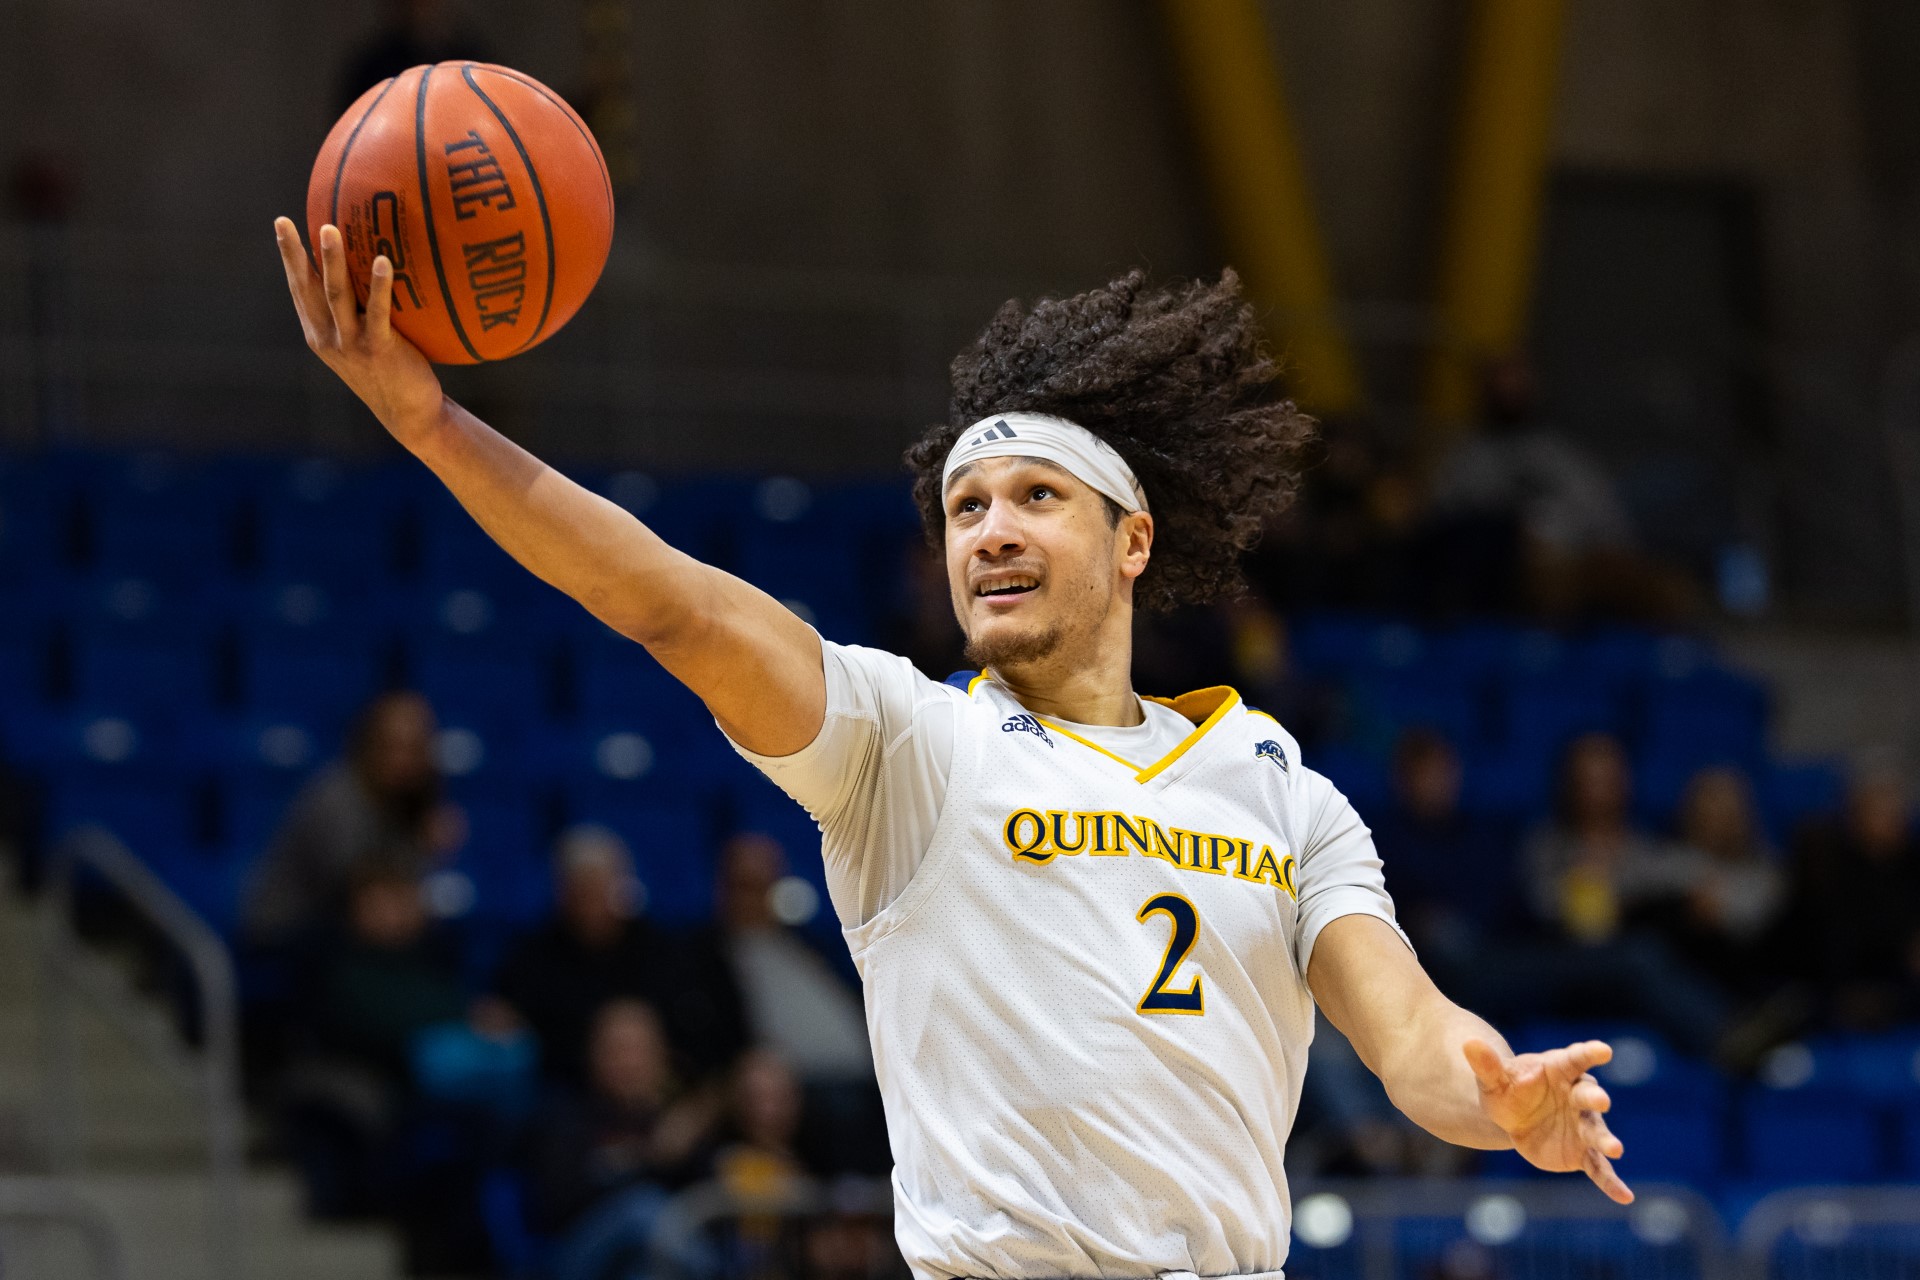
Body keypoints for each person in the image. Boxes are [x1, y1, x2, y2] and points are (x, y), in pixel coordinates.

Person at [277, 219, 1635, 1280]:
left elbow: (1409, 1032)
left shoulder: (1277, 781)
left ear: (1133, 540)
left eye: (1035, 496)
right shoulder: (907, 746)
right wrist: (432, 425)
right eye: (964, 505)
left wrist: (1500, 1096)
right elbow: (673, 605)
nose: (989, 530)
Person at [493, 825, 748, 1086]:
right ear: (563, 893)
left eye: (600, 888)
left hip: (660, 1091)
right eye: (582, 890)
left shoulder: (663, 951)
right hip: (568, 1093)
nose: (592, 903)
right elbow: (509, 1023)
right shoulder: (531, 958)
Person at [243, 690, 465, 950]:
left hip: (340, 936)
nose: (404, 762)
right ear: (368, 745)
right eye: (393, 747)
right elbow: (369, 900)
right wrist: (421, 845)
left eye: (414, 749)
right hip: (287, 933)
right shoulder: (333, 797)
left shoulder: (411, 803)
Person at [530, 1000, 722, 1280]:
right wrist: (649, 1156)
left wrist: (693, 1150)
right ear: (594, 1055)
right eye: (618, 1050)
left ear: (662, 1057)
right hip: (578, 1255)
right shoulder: (568, 1116)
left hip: (654, 1257)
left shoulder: (673, 1120)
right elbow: (560, 1203)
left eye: (639, 1050)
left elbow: (705, 1200)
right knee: (643, 1208)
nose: (629, 1062)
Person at [1786, 765, 1920, 1029]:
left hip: (1904, 988)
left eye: (1897, 811)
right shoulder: (1828, 868)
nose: (1892, 820)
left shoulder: (1913, 863)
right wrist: (1904, 943)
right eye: (1879, 810)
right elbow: (1831, 943)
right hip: (1842, 990)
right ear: (1854, 816)